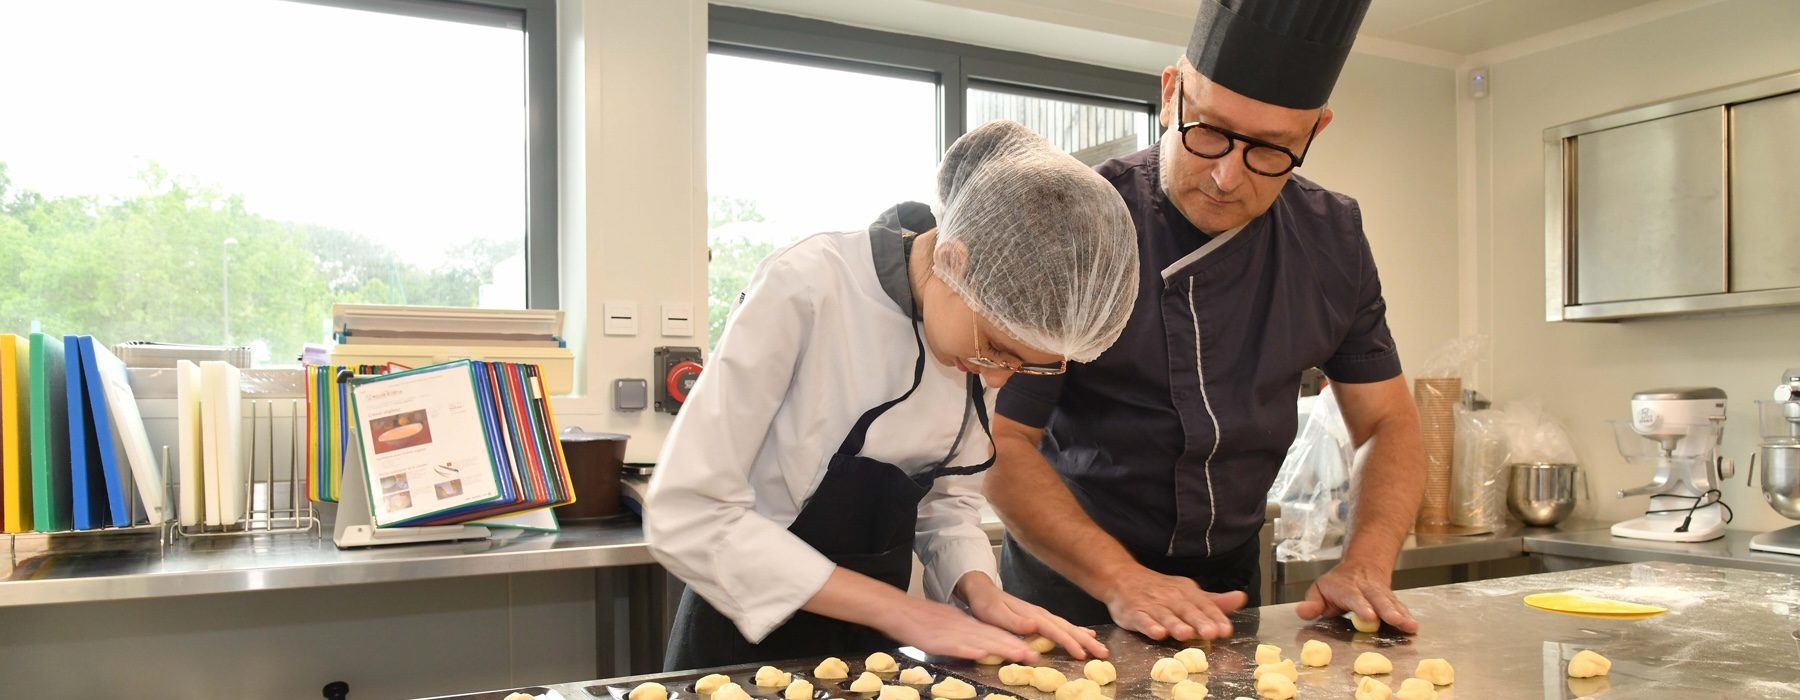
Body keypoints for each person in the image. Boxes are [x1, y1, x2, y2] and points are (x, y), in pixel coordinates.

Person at [986, 0, 1428, 643]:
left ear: (1314, 132)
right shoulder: (1078, 225)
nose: (1227, 177)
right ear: (1172, 94)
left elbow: (1388, 423)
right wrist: (1121, 579)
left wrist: (1365, 561)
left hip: (1228, 589)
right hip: (1071, 588)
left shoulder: (1332, 241)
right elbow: (1001, 443)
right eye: (1210, 132)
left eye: (1271, 150)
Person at [645, 120, 1140, 670]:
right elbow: (688, 511)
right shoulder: (811, 285)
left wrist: (980, 591)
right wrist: (903, 612)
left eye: (1026, 366)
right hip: (740, 644)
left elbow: (947, 504)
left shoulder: (978, 334)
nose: (999, 378)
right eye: (998, 349)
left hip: (870, 653)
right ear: (953, 263)